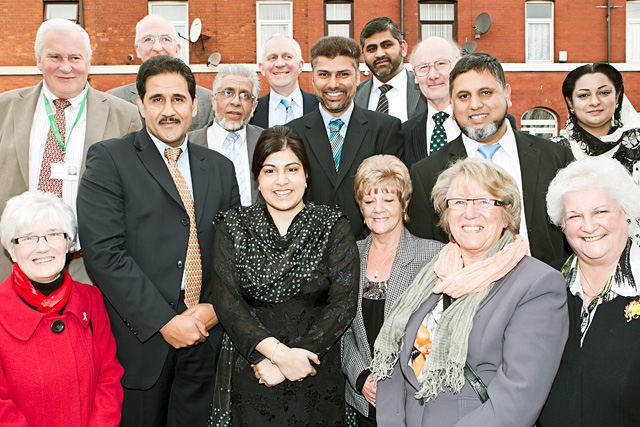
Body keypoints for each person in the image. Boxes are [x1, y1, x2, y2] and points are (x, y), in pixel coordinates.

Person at [77, 55, 239, 426]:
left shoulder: (218, 167)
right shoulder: (110, 159)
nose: (169, 110)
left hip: (206, 338)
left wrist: (216, 308)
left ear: (194, 105)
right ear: (140, 103)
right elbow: (105, 253)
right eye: (157, 99)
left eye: (179, 99)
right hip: (141, 343)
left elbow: (232, 251)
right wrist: (165, 321)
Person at [371, 158, 569, 427]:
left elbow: (517, 399)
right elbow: (396, 360)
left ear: (507, 213)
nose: (470, 213)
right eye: (459, 202)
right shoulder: (431, 271)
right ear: (446, 213)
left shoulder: (538, 285)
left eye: (485, 201)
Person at [211, 125, 359, 426]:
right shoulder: (234, 225)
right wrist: (277, 354)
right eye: (269, 170)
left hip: (315, 367)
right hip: (255, 369)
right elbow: (227, 303)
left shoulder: (333, 225)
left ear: (306, 174)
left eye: (291, 169)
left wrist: (294, 359)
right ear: (257, 177)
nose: (281, 181)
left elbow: (343, 304)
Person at [0, 18, 141, 283]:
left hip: (89, 268)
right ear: (39, 60)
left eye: (75, 57)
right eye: (55, 56)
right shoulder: (4, 109)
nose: (66, 67)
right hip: (13, 268)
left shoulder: (125, 116)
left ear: (88, 62)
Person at [407, 52, 574, 264]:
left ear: (507, 94)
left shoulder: (556, 158)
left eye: (486, 93)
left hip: (546, 290)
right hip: (466, 292)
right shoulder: (427, 174)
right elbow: (427, 256)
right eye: (464, 96)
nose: (475, 105)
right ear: (451, 102)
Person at [0, 191, 124, 426]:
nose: (43, 247)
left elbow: (109, 376)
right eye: (28, 238)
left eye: (53, 234)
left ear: (68, 242)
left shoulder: (92, 299)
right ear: (11, 249)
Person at [341, 155, 444, 427]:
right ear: (360, 207)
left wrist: (400, 381)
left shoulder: (434, 256)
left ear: (404, 203)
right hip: (364, 403)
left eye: (388, 200)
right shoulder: (348, 256)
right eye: (369, 200)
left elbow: (438, 330)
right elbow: (338, 330)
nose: (378, 209)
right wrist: (361, 377)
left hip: (417, 402)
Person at [539, 156, 640, 427]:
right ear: (562, 224)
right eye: (575, 216)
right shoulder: (544, 285)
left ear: (626, 211)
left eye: (600, 212)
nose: (588, 226)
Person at [287, 36, 404, 239]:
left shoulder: (385, 129)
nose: (333, 84)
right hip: (308, 255)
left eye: (343, 74)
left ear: (358, 77)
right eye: (324, 74)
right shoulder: (291, 134)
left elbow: (393, 197)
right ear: (312, 78)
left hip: (369, 251)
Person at [107, 14, 214, 131]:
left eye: (165, 39)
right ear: (137, 49)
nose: (157, 47)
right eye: (148, 39)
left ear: (177, 48)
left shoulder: (207, 102)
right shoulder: (113, 102)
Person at [551, 62, 640, 184]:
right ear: (570, 102)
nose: (594, 102)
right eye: (584, 95)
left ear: (617, 96)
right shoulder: (552, 151)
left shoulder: (636, 144)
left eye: (604, 93)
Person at [188, 64, 264, 206]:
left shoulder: (267, 142)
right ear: (213, 100)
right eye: (228, 93)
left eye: (245, 96)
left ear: (254, 106)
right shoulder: (188, 144)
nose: (236, 102)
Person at [354, 17, 426, 123]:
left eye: (386, 45)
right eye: (372, 49)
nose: (380, 54)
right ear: (363, 56)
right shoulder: (354, 97)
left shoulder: (425, 90)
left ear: (403, 48)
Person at [250, 35, 319, 128]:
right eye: (272, 57)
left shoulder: (322, 107)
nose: (280, 64)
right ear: (261, 68)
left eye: (287, 57)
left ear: (300, 65)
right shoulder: (250, 112)